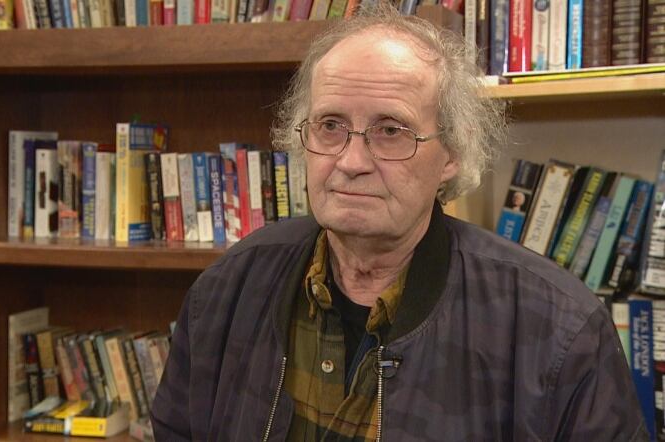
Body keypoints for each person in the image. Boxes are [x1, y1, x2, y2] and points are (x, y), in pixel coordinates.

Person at [151, 3, 646, 441]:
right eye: (330, 126)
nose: (351, 160)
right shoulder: (227, 290)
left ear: (451, 153)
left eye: (390, 130)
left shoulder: (558, 327)